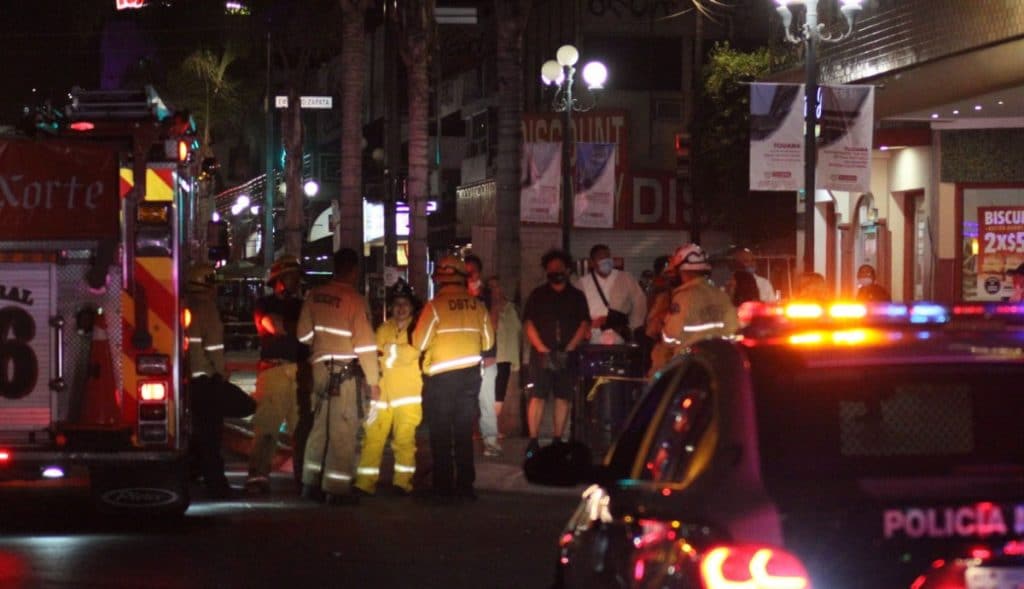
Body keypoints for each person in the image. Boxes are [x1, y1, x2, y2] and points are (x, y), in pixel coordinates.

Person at [296, 248, 380, 505]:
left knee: (319, 428)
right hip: (344, 374)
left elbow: (303, 335)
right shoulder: (355, 300)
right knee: (343, 431)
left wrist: (323, 344)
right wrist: (374, 382)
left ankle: (310, 483)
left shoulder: (314, 296)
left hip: (320, 371)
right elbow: (365, 345)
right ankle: (336, 488)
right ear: (354, 271)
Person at [412, 255, 493, 502]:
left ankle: (443, 487)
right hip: (469, 377)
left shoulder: (434, 307)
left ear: (439, 279)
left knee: (440, 433)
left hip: (441, 378)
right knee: (462, 433)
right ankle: (466, 487)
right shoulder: (477, 306)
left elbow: (419, 343)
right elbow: (489, 342)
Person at [354, 280, 422, 497]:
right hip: (381, 394)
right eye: (397, 304)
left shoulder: (418, 329)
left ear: (411, 306)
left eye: (405, 304)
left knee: (404, 441)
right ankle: (364, 484)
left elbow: (412, 353)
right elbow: (376, 356)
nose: (401, 308)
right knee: (372, 438)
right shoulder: (384, 329)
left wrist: (389, 351)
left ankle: (402, 483)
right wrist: (395, 352)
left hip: (408, 396)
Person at [246, 254, 306, 495]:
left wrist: (291, 327)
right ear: (278, 279)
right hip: (274, 370)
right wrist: (297, 328)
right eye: (291, 277)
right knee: (267, 428)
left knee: (302, 430)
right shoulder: (265, 304)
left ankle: (305, 479)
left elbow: (302, 331)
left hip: (299, 371)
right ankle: (258, 477)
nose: (295, 282)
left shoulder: (303, 305)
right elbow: (273, 325)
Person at [522, 249, 591, 458]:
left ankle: (558, 439)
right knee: (537, 396)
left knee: (563, 398)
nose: (555, 272)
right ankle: (533, 441)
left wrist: (569, 348)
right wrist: (542, 349)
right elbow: (528, 323)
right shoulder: (538, 295)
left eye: (559, 269)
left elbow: (584, 323)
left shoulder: (577, 296)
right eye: (551, 269)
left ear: (568, 270)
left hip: (568, 354)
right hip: (541, 354)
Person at [185, 263, 232, 498]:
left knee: (195, 432)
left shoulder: (183, 305)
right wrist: (222, 373)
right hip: (206, 380)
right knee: (211, 436)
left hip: (187, 380)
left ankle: (192, 473)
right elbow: (214, 347)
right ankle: (216, 484)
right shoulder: (207, 308)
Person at [660, 244, 739, 365]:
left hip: (690, 365)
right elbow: (733, 332)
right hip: (719, 364)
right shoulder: (721, 295)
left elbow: (670, 338)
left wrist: (664, 323)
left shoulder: (683, 297)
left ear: (681, 271)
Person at [463, 254, 501, 458]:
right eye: (466, 273)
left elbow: (494, 324)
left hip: (486, 356)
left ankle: (491, 442)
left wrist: (494, 295)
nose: (470, 276)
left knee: (486, 401)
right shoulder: (458, 296)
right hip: (463, 356)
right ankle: (461, 441)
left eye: (473, 272)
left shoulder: (487, 295)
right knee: (463, 402)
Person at [576, 244, 646, 344]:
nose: (606, 260)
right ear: (592, 262)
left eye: (607, 256)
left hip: (619, 334)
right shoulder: (582, 283)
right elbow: (576, 310)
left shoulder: (626, 278)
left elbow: (639, 304)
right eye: (601, 257)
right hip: (592, 336)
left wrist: (632, 328)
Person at [486, 275, 521, 442]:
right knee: (490, 393)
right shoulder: (487, 308)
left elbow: (517, 329)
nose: (496, 290)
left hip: (506, 355)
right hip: (492, 356)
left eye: (497, 286)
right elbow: (491, 327)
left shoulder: (510, 307)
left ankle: (492, 427)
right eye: (491, 287)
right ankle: (489, 428)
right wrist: (494, 308)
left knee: (499, 393)